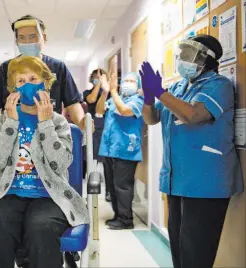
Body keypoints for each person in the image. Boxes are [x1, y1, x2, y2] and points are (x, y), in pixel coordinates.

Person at [0, 56, 90, 268]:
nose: (27, 85)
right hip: (10, 193)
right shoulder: (3, 117)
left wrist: (45, 124)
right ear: (12, 89)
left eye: (33, 78)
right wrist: (10, 123)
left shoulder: (59, 121)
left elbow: (61, 163)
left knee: (41, 227)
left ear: (45, 83)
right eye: (20, 81)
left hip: (49, 195)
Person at [140, 35, 244, 268]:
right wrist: (149, 97)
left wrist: (160, 92)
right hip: (177, 181)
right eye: (181, 53)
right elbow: (152, 118)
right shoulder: (178, 87)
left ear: (206, 59)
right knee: (179, 249)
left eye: (188, 53)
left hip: (205, 183)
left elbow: (193, 115)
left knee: (196, 255)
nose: (181, 58)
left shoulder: (218, 85)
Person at [0, 14, 87, 131]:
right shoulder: (6, 68)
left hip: (50, 133)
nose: (27, 42)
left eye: (32, 37)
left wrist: (82, 122)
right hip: (14, 136)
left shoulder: (58, 67)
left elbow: (72, 103)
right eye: (22, 37)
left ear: (44, 38)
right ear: (16, 41)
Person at [96, 72, 144, 230]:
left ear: (137, 85)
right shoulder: (116, 98)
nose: (128, 83)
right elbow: (99, 110)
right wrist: (105, 92)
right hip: (110, 149)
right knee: (112, 186)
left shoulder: (138, 100)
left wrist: (113, 91)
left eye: (132, 81)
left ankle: (126, 220)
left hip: (126, 149)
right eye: (125, 80)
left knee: (123, 186)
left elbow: (124, 111)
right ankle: (118, 215)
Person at [84, 68, 110, 200]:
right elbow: (92, 100)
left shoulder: (109, 93)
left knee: (106, 161)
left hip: (107, 128)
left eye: (100, 77)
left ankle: (109, 192)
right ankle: (91, 190)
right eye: (95, 77)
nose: (97, 79)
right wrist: (99, 84)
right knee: (91, 158)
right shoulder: (87, 92)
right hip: (93, 129)